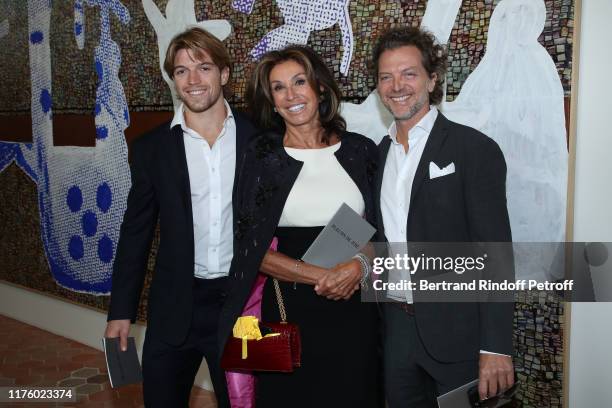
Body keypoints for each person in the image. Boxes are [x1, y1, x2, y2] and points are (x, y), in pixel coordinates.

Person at [218, 45, 381, 407]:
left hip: (355, 308)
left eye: (299, 81)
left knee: (356, 394)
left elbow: (379, 230)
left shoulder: (361, 150)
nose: (290, 95)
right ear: (271, 101)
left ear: (319, 87)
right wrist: (319, 277)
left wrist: (358, 267)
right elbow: (249, 248)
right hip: (288, 308)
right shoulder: (262, 156)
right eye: (278, 88)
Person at [104, 27, 255, 408]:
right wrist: (120, 311)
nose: (193, 80)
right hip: (174, 308)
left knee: (248, 404)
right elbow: (135, 232)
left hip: (245, 307)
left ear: (224, 73)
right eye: (182, 71)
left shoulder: (261, 139)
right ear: (173, 80)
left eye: (203, 67)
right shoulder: (151, 149)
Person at [372, 27, 515, 407]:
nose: (396, 85)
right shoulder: (379, 154)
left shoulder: (474, 150)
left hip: (461, 335)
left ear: (432, 79)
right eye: (386, 76)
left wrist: (496, 346)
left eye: (409, 74)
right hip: (397, 330)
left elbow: (496, 252)